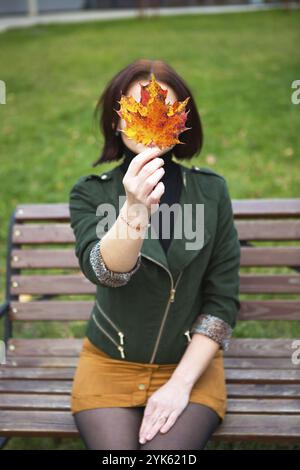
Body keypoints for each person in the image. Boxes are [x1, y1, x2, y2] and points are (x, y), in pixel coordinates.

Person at [68, 59, 241, 450]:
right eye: (138, 110)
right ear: (117, 120)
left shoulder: (211, 192)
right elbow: (105, 272)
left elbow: (222, 301)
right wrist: (134, 208)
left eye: (166, 109)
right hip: (109, 364)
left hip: (190, 366)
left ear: (183, 121)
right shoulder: (90, 192)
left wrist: (180, 384)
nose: (152, 119)